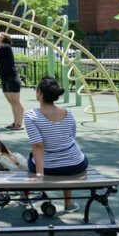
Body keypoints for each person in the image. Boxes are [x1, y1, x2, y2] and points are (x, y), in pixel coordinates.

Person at [24, 77, 88, 212]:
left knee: (32, 158)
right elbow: (71, 137)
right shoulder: (68, 113)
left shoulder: (31, 115)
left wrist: (39, 175)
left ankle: (38, 193)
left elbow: (38, 146)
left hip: (49, 168)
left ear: (40, 93)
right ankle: (68, 203)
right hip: (76, 165)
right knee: (68, 151)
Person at [0, 32, 24, 130]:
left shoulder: (6, 46)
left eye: (0, 35)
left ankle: (20, 124)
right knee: (11, 102)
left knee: (16, 101)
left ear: (3, 39)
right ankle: (15, 123)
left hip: (12, 77)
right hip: (4, 77)